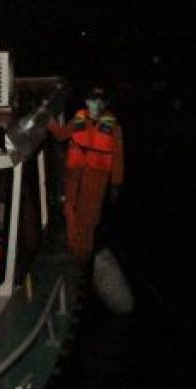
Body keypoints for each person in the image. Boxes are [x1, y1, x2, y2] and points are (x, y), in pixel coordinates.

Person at [48, 86, 125, 263]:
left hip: (97, 177)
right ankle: (72, 246)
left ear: (105, 104)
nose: (95, 104)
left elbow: (118, 157)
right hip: (74, 173)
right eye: (92, 100)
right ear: (86, 102)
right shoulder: (78, 119)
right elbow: (60, 135)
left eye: (99, 101)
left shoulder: (114, 127)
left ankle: (83, 253)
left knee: (89, 217)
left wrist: (116, 184)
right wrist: (49, 122)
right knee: (69, 209)